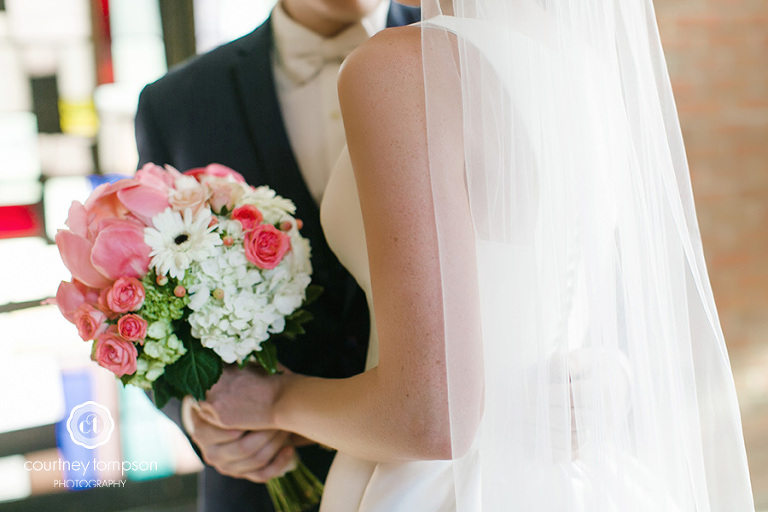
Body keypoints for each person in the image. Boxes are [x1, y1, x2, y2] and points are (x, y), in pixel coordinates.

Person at [199, 0, 757, 510]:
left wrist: (272, 401)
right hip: (572, 479)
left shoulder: (402, 67)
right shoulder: (584, 66)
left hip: (438, 487)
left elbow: (431, 418)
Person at [133, 1, 419, 511]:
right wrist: (198, 413)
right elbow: (143, 295)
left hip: (425, 478)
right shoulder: (177, 102)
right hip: (262, 485)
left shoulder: (460, 56)